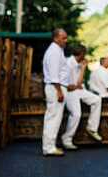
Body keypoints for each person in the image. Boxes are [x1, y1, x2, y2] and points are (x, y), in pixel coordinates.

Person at [62, 45, 103, 150]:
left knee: (97, 100)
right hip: (69, 92)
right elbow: (74, 83)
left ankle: (92, 128)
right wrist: (84, 68)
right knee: (76, 114)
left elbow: (79, 83)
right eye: (84, 55)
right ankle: (67, 139)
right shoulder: (69, 64)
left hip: (77, 89)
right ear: (81, 55)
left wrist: (78, 83)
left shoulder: (77, 63)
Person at [41, 28, 70, 156]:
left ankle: (50, 146)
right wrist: (59, 91)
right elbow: (54, 75)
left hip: (57, 87)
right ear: (56, 38)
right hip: (55, 87)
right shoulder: (54, 51)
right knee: (53, 118)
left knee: (54, 118)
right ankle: (49, 148)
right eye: (63, 38)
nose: (66, 40)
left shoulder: (58, 50)